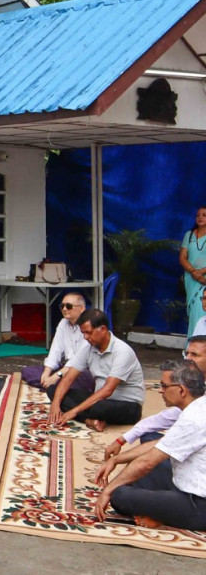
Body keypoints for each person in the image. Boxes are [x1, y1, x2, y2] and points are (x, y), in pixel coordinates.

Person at [93, 361, 206, 530]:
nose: (160, 390)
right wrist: (117, 459)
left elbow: (148, 462)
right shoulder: (197, 406)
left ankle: (165, 516)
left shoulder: (193, 418)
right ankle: (163, 509)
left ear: (181, 390)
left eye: (164, 386)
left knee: (119, 495)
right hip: (190, 482)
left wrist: (107, 491)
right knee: (136, 471)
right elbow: (161, 443)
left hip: (199, 504)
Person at [104, 336, 206, 460]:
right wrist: (122, 439)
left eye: (194, 355)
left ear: (181, 390)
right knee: (147, 437)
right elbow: (165, 418)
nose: (188, 359)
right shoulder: (193, 385)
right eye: (186, 353)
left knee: (149, 461)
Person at [46, 308, 145, 430]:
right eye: (83, 333)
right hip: (98, 400)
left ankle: (88, 416)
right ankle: (90, 420)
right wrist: (55, 404)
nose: (85, 337)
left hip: (127, 406)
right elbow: (68, 378)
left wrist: (75, 411)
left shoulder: (122, 351)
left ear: (103, 329)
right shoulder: (88, 348)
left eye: (89, 333)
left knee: (98, 407)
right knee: (53, 391)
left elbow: (108, 390)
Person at [20, 291, 96, 392]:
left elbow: (78, 361)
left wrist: (56, 376)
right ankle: (55, 386)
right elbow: (55, 351)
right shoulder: (63, 323)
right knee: (27, 371)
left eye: (69, 306)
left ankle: (55, 386)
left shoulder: (88, 327)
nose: (64, 309)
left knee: (76, 381)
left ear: (81, 308)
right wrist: (46, 373)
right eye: (62, 306)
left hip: (83, 371)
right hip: (65, 368)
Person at [180, 206, 206, 341]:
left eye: (204, 215)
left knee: (200, 309)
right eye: (198, 215)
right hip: (191, 279)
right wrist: (193, 272)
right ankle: (192, 346)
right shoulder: (189, 235)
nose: (200, 217)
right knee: (192, 311)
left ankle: (197, 345)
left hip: (204, 279)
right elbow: (182, 257)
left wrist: (200, 272)